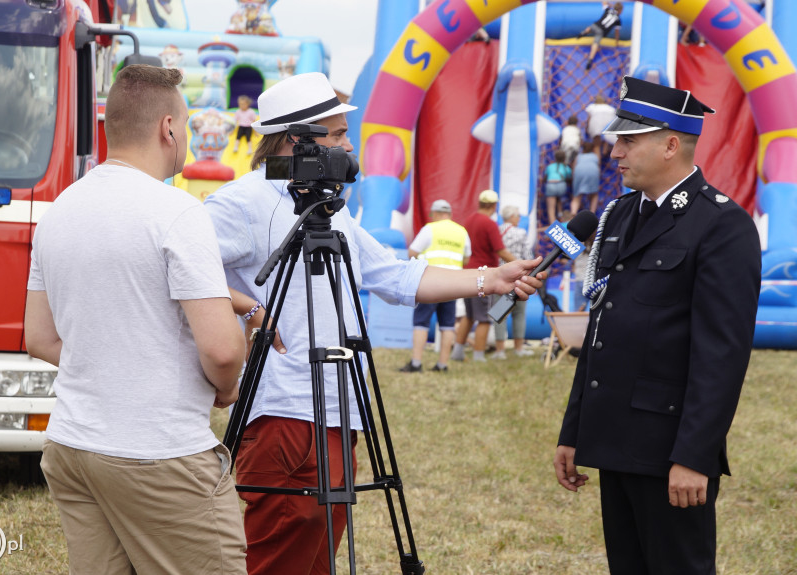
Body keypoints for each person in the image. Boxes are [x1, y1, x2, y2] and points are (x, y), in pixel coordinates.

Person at [203, 72, 545, 575]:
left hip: (343, 408)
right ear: (299, 140)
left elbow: (396, 275)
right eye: (339, 135)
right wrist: (251, 309)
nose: (349, 145)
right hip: (282, 409)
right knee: (285, 545)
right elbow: (181, 265)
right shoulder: (242, 201)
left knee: (323, 543)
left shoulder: (330, 207)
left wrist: (489, 279)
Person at [24, 65, 248, 575]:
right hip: (158, 451)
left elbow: (38, 336)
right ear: (168, 128)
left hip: (73, 445)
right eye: (186, 126)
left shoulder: (58, 210)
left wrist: (111, 359)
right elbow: (222, 349)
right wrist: (226, 387)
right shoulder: (178, 211)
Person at [553, 76, 762, 574]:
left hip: (668, 448)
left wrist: (695, 456)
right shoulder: (620, 215)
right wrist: (574, 430)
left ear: (671, 145)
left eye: (628, 140)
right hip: (614, 436)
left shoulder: (721, 225)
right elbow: (602, 332)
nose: (615, 151)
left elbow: (721, 356)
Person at [401, 199, 472, 373]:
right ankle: (442, 364)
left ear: (434, 213)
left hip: (430, 282)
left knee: (421, 321)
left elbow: (412, 252)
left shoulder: (430, 229)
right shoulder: (461, 231)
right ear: (449, 213)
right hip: (454, 284)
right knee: (448, 324)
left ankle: (416, 363)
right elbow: (467, 258)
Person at [450, 189, 517, 363]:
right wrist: (520, 263)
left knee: (470, 315)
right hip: (484, 275)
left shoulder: (469, 220)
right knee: (485, 318)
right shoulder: (489, 224)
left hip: (468, 272)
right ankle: (479, 355)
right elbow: (501, 251)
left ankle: (457, 351)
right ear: (494, 206)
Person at [491, 205, 534, 359]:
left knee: (500, 313)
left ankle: (500, 350)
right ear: (512, 217)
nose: (519, 219)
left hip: (499, 278)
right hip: (518, 278)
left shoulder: (497, 231)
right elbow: (527, 256)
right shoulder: (521, 233)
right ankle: (518, 348)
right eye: (517, 216)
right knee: (519, 314)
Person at [580, 1, 623, 70]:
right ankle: (590, 59)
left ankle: (583, 33)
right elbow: (617, 33)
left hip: (596, 25)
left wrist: (609, 4)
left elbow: (604, 2)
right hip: (601, 31)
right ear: (620, 10)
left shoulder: (609, 10)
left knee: (591, 28)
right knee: (595, 44)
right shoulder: (618, 20)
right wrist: (617, 42)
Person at [571, 140, 601, 215]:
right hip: (593, 172)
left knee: (577, 196)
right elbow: (598, 164)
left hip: (579, 172)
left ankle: (573, 213)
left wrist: (573, 178)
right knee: (594, 194)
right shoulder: (595, 156)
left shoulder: (579, 156)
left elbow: (574, 168)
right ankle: (592, 213)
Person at [543, 149, 571, 222]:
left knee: (551, 209)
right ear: (564, 158)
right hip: (562, 185)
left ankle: (552, 225)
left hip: (551, 185)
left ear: (555, 158)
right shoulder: (566, 167)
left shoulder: (550, 166)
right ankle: (560, 216)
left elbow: (545, 178)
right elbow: (569, 177)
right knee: (558, 200)